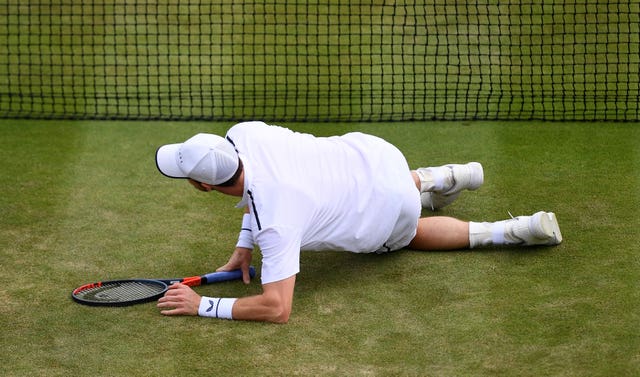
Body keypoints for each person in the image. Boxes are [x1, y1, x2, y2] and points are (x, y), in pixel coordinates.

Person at [155, 121, 562, 323]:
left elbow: (277, 308)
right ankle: (447, 175)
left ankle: (511, 231)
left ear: (202, 186)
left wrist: (202, 306)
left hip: (389, 210)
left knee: (409, 234)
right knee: (374, 179)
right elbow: (254, 188)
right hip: (378, 155)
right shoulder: (243, 134)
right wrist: (245, 244)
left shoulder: (276, 224)